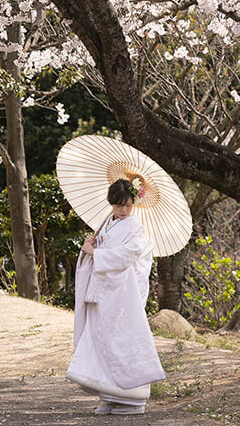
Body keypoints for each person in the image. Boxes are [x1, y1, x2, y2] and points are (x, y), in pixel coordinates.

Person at [66, 178, 165, 416]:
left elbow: (131, 254)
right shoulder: (107, 223)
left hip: (121, 293)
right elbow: (103, 250)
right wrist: (91, 245)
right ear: (111, 203)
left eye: (128, 205)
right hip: (102, 290)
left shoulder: (135, 227)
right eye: (119, 205)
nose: (124, 210)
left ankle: (133, 399)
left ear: (134, 203)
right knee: (100, 340)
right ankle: (110, 395)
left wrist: (98, 254)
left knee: (122, 340)